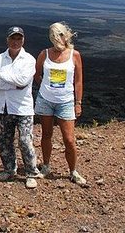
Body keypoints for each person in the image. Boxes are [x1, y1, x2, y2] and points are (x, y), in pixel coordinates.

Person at [0, 26, 41, 189]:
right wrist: (12, 84)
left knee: (25, 140)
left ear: (23, 40)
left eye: (19, 38)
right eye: (13, 38)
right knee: (3, 140)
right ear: (7, 40)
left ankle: (31, 172)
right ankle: (9, 169)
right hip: (3, 107)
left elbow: (23, 81)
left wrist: (2, 77)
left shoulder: (29, 59)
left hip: (23, 108)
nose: (16, 41)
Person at [34, 22, 86, 186]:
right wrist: (44, 86)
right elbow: (37, 74)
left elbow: (78, 81)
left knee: (69, 139)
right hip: (46, 100)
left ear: (65, 36)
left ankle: (73, 171)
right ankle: (46, 166)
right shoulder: (44, 54)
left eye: (59, 35)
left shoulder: (74, 55)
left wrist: (78, 102)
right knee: (46, 134)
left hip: (65, 102)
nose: (56, 39)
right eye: (53, 36)